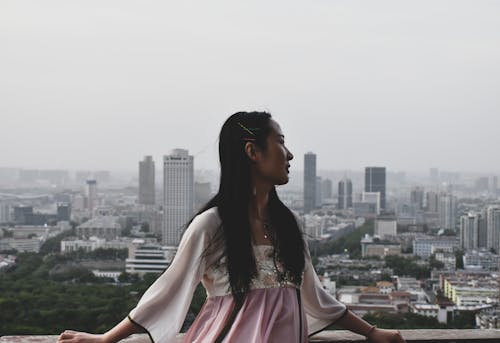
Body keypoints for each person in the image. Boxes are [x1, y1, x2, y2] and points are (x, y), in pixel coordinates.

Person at [57, 112, 406, 343]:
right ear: (253, 151)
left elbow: (314, 296)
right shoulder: (212, 226)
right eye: (281, 142)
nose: (290, 154)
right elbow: (168, 291)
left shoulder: (289, 225)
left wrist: (372, 332)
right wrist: (106, 339)